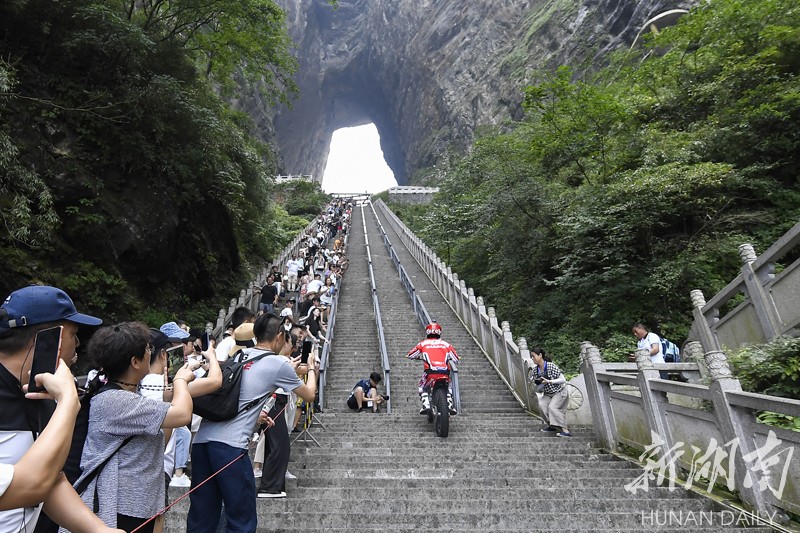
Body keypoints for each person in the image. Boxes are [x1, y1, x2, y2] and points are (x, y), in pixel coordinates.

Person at [0, 285, 123, 533]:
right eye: (73, 334)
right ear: (49, 338)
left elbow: (52, 478)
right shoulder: (61, 399)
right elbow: (31, 485)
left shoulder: (43, 395)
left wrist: (100, 530)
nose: (76, 344)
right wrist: (68, 401)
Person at [185, 314, 318, 531]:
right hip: (230, 449)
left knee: (202, 518)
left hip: (202, 444)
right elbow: (310, 394)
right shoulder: (278, 363)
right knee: (241, 520)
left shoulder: (238, 355)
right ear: (279, 337)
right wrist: (311, 367)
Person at [68, 322, 197, 532]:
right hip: (120, 508)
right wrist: (181, 380)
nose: (152, 353)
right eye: (148, 349)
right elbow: (183, 414)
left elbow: (158, 443)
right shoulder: (116, 400)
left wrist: (167, 400)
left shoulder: (128, 396)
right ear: (135, 362)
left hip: (139, 505)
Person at [406, 322, 459, 415]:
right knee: (449, 386)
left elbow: (411, 355)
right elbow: (456, 359)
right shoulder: (446, 344)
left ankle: (426, 404)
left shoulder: (423, 344)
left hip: (430, 372)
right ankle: (449, 403)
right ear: (439, 332)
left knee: (422, 386)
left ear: (427, 332)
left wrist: (414, 357)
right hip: (445, 372)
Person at [529, 347, 571, 437]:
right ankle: (552, 425)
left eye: (533, 356)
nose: (532, 358)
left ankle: (565, 430)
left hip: (559, 391)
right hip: (548, 393)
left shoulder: (550, 366)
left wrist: (549, 381)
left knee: (553, 407)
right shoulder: (535, 370)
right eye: (531, 357)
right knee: (542, 405)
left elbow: (563, 379)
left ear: (540, 355)